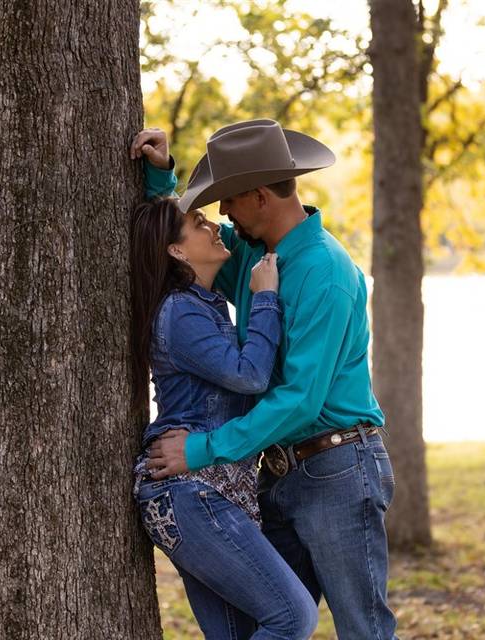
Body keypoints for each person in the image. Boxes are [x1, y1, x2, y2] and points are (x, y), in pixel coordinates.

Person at [138, 119, 398, 640]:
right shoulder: (255, 256)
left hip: (337, 466)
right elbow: (186, 249)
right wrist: (161, 178)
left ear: (258, 196)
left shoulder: (324, 272)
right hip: (276, 472)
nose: (221, 215)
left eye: (227, 202)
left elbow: (301, 400)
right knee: (271, 620)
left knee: (362, 629)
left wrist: (202, 449)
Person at [128, 131, 318, 640]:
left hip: (213, 490)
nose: (214, 223)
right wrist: (266, 298)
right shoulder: (181, 312)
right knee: (293, 616)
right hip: (191, 493)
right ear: (176, 251)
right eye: (198, 223)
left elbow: (163, 223)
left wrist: (162, 173)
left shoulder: (203, 303)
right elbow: (250, 374)